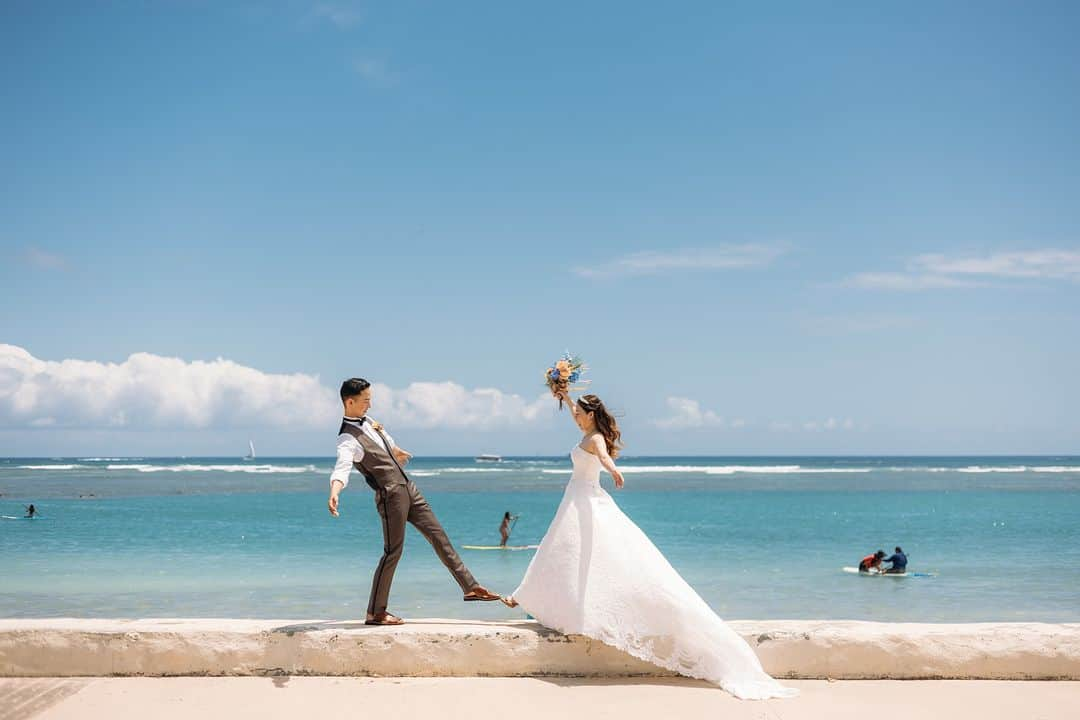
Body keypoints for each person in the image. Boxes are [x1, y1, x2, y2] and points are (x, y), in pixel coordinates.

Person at [501, 387, 797, 700]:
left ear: (590, 416)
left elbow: (602, 456)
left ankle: (529, 599)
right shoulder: (585, 427)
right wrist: (565, 395)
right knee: (559, 551)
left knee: (583, 554)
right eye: (574, 414)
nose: (575, 418)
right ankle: (527, 597)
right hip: (575, 500)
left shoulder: (597, 437)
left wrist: (614, 469)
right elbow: (578, 415)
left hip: (586, 500)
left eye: (579, 414)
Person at [328, 378, 501, 626]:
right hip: (390, 495)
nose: (370, 404)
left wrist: (397, 452)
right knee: (392, 552)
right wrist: (335, 491)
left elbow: (385, 444)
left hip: (408, 488)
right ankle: (376, 612)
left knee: (439, 536)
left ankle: (470, 587)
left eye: (370, 399)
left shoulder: (370, 423)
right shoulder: (347, 439)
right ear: (350, 401)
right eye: (366, 400)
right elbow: (342, 466)